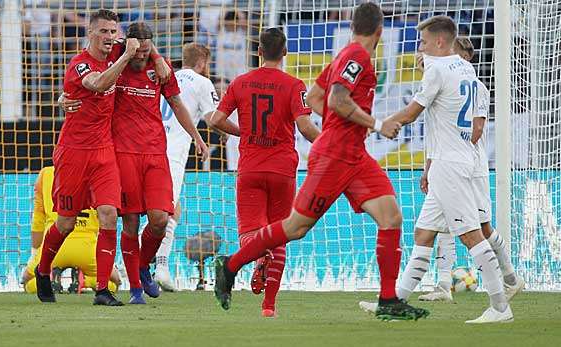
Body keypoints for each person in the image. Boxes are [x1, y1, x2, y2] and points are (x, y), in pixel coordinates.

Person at [212, 3, 428, 321]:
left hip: (354, 154)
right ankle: (230, 266)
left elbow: (316, 99)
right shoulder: (357, 57)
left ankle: (388, 300)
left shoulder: (344, 55)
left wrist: (343, 127)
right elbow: (338, 99)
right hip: (335, 156)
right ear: (380, 32)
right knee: (296, 227)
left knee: (391, 217)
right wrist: (376, 124)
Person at [382, 16, 513, 323]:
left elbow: (413, 112)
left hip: (450, 165)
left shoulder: (437, 69)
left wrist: (384, 123)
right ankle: (395, 302)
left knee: (471, 236)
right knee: (424, 232)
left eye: (424, 42)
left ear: (439, 42)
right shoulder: (465, 67)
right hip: (456, 159)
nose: (420, 48)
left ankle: (500, 307)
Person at [34, 9, 169, 306]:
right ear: (91, 33)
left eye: (114, 33)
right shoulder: (80, 64)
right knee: (66, 222)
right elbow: (98, 84)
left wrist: (157, 58)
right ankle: (43, 270)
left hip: (105, 151)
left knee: (108, 214)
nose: (111, 38)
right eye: (105, 32)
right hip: (74, 153)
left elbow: (143, 42)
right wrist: (62, 97)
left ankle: (102, 291)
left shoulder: (119, 50)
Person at [208, 27, 320, 317]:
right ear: (284, 53)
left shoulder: (240, 82)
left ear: (258, 52)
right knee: (280, 234)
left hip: (250, 169)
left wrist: (242, 133)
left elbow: (216, 119)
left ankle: (259, 257)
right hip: (282, 170)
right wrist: (328, 146)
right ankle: (269, 307)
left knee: (250, 234)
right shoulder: (295, 85)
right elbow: (306, 128)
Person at [415, 37, 524, 302]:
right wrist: (429, 167)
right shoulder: (439, 84)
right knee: (440, 224)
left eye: (457, 55)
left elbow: (476, 130)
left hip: (470, 168)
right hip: (446, 164)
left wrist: (453, 153)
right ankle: (442, 285)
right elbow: (435, 135)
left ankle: (510, 278)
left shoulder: (478, 88)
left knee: (482, 228)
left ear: (466, 59)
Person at [151, 43, 218, 292]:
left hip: (149, 149)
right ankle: (159, 267)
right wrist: (236, 132)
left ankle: (153, 265)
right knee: (167, 211)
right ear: (202, 63)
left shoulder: (165, 76)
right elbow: (213, 119)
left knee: (167, 209)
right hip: (172, 155)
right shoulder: (202, 83)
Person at [23, 166, 121, 294]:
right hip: (88, 249)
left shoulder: (45, 174)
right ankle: (85, 281)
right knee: (114, 283)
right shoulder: (98, 173)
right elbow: (107, 219)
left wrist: (35, 252)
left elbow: (38, 220)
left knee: (27, 282)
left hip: (53, 247)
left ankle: (51, 280)